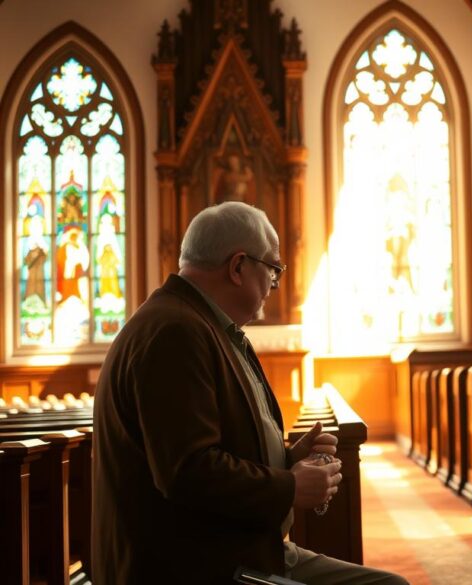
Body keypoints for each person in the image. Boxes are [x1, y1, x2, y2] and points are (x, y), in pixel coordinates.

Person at [92, 202, 407, 585]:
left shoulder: (200, 325)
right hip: (196, 565)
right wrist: (290, 485)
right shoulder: (174, 333)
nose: (276, 284)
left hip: (231, 547)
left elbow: (208, 448)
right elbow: (188, 472)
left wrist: (287, 458)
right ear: (238, 267)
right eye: (273, 269)